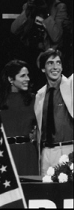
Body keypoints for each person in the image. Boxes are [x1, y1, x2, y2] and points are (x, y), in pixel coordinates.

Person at [10, 0, 71, 91]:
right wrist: (27, 11)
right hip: (28, 52)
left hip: (46, 54)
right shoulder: (30, 6)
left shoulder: (59, 7)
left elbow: (56, 36)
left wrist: (46, 14)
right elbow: (14, 30)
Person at [0, 60, 39, 175]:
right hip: (4, 153)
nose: (28, 79)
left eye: (28, 75)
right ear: (10, 79)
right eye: (23, 76)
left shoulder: (33, 99)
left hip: (27, 154)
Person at [35, 48, 73, 176]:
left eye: (58, 62)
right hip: (47, 152)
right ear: (43, 69)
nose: (55, 67)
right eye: (50, 63)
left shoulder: (71, 86)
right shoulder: (39, 95)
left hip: (69, 149)